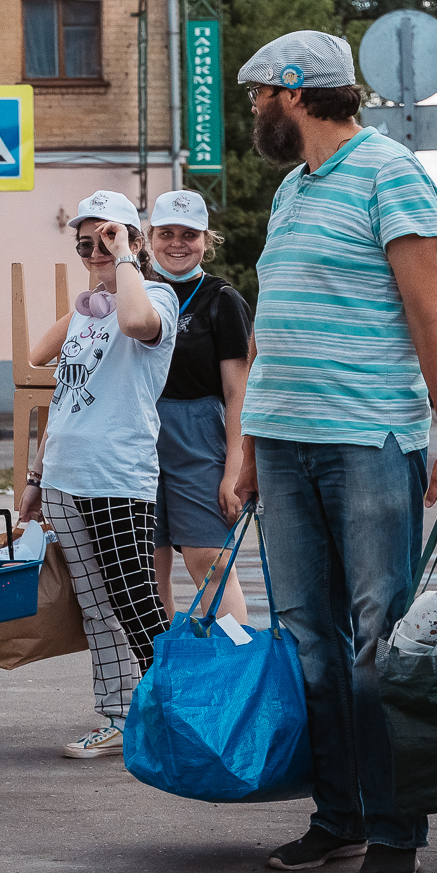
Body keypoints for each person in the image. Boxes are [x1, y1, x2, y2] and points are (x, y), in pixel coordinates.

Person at [222, 30, 437, 873]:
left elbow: (429, 314)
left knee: (379, 641)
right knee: (308, 642)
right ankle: (338, 815)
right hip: (286, 446)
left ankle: (397, 824)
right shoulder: (293, 190)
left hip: (370, 439)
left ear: (293, 91)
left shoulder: (390, 171)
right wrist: (251, 446)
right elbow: (276, 332)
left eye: (258, 93)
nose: (252, 109)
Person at [16, 191, 179, 760]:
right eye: (85, 243)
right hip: (64, 472)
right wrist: (36, 475)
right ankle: (119, 715)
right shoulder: (92, 310)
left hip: (115, 473)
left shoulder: (156, 297)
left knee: (134, 596)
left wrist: (124, 259)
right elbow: (45, 363)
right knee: (95, 604)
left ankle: (173, 708)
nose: (95, 251)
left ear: (134, 240)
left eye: (106, 239)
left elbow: (137, 322)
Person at [145, 189, 252, 625]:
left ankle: (236, 669)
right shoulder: (134, 292)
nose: (177, 243)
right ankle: (159, 676)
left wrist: (234, 469)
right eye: (166, 232)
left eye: (189, 234)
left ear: (207, 240)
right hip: (137, 433)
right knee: (147, 571)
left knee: (211, 560)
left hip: (199, 435)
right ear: (148, 237)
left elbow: (237, 393)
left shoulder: (222, 300)